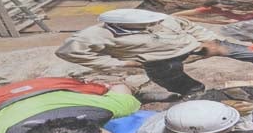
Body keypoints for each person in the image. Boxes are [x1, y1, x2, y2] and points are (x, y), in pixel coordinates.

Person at [55, 8, 227, 97]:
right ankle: (193, 91)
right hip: (157, 59)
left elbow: (190, 26)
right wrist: (117, 64)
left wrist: (209, 40)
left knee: (240, 51)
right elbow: (69, 53)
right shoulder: (92, 36)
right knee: (170, 75)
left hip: (189, 48)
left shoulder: (161, 20)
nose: (154, 23)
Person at [0, 81, 141, 133]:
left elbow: (120, 88)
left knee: (122, 100)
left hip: (33, 94)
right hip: (16, 97)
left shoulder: (102, 110)